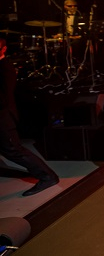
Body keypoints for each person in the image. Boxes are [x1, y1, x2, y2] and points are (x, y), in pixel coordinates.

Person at [0, 38, 60, 196]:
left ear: (3, 49)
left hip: (3, 116)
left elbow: (4, 97)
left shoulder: (5, 67)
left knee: (13, 150)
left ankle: (48, 176)